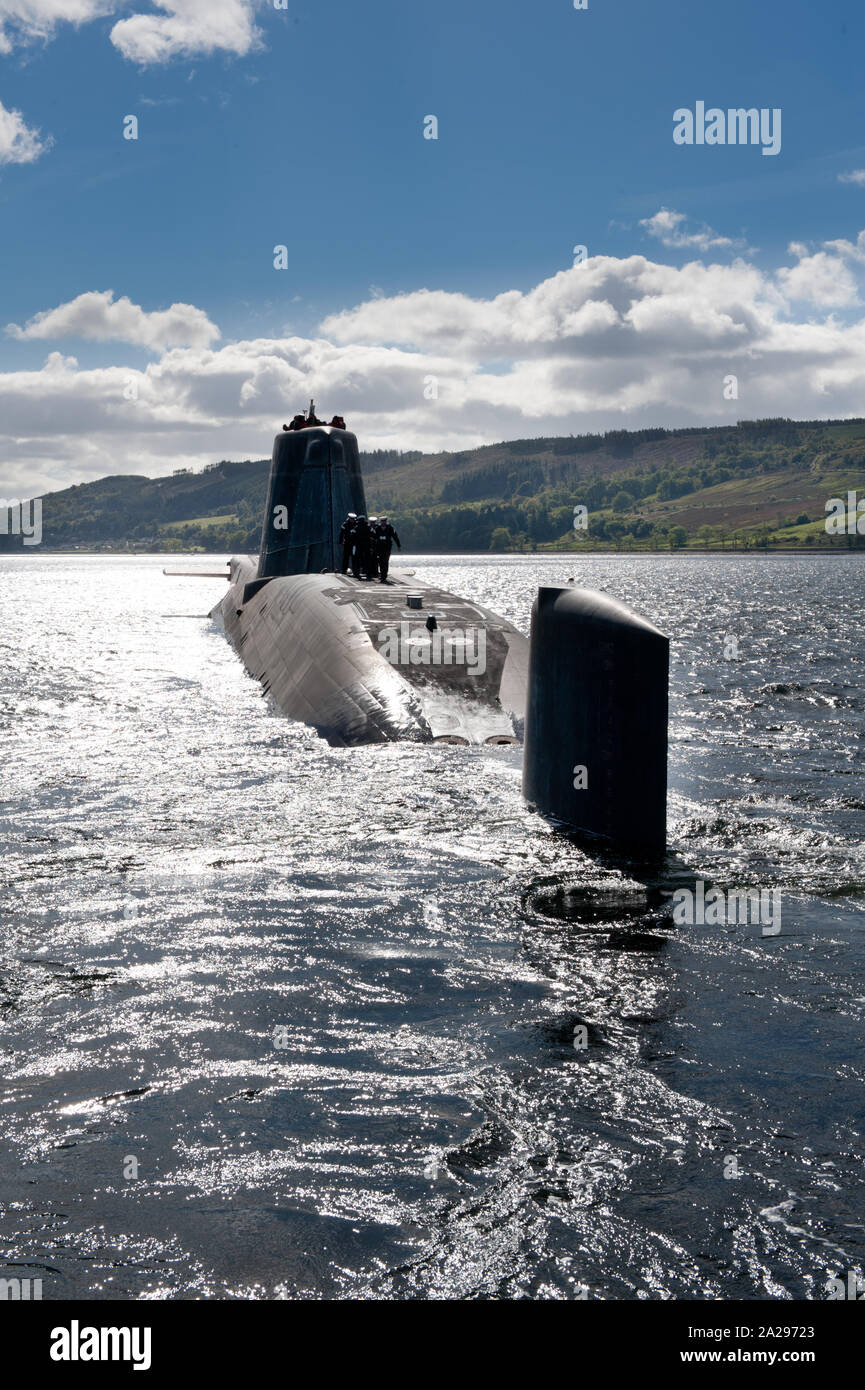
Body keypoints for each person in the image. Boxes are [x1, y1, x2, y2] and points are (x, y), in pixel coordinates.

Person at [375, 516, 401, 582]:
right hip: (379, 547)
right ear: (380, 521)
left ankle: (384, 575)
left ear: (386, 521)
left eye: (384, 521)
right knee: (380, 562)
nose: (383, 522)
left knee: (385, 561)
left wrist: (398, 546)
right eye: (382, 521)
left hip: (387, 548)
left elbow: (395, 537)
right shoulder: (377, 528)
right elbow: (374, 537)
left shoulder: (390, 528)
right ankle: (382, 574)